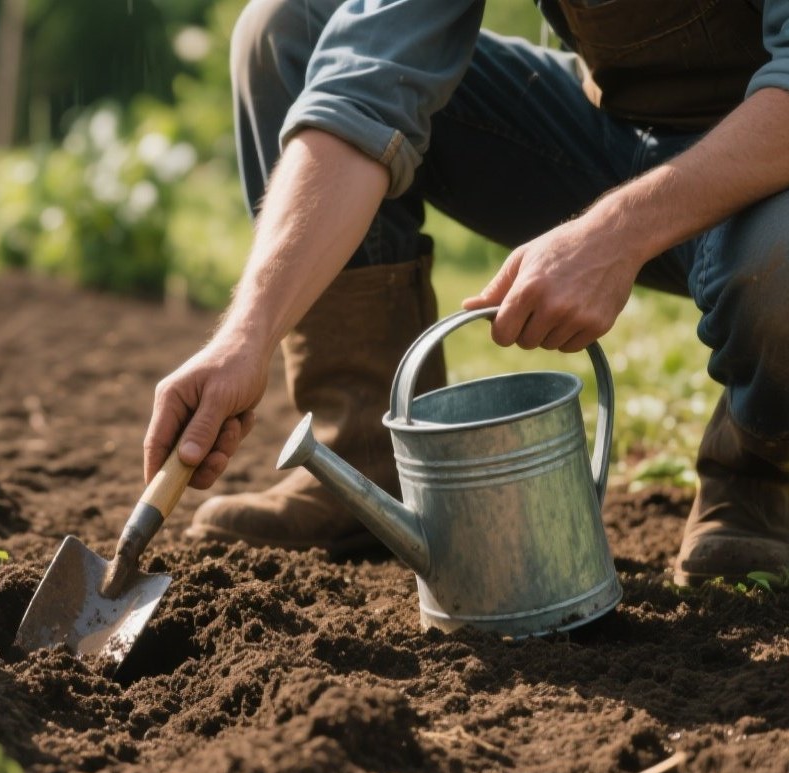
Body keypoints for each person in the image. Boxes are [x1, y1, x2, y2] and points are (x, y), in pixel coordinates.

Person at [142, 0, 789, 585]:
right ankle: (369, 460)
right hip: (615, 134)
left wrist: (613, 233)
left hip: (768, 166)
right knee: (291, 31)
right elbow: (359, 92)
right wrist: (244, 335)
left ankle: (760, 478)